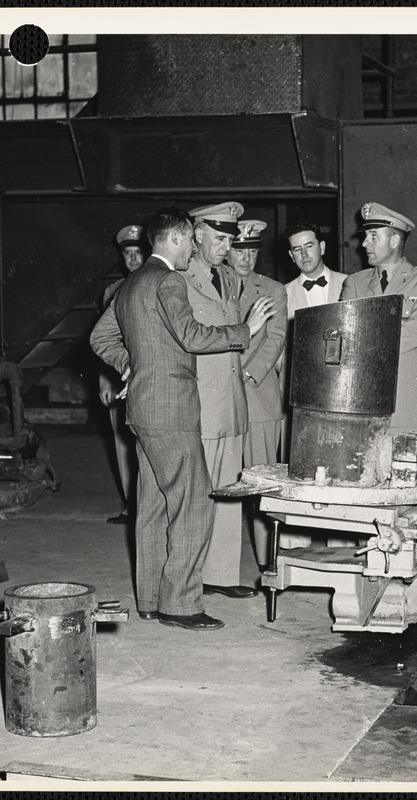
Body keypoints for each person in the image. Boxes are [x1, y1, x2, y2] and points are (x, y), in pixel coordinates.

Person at [90, 207, 275, 631]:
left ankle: (151, 600)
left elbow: (100, 337)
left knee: (153, 506)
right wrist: (243, 330)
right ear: (174, 239)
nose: (195, 246)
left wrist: (132, 366)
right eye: (191, 240)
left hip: (142, 409)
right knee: (194, 505)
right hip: (171, 409)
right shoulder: (170, 280)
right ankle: (181, 604)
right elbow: (190, 335)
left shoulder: (133, 282)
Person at [184, 202, 257, 598]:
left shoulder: (229, 278)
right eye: (219, 237)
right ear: (197, 234)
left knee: (229, 489)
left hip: (230, 399)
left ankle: (221, 575)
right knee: (198, 492)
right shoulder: (178, 277)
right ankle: (191, 577)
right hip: (200, 398)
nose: (226, 247)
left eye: (230, 239)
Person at [340, 202, 417, 437]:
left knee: (407, 472)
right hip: (361, 403)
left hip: (408, 404)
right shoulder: (355, 282)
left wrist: (363, 339)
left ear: (394, 241)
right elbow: (344, 331)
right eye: (365, 236)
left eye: (373, 236)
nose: (364, 243)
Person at [228, 219, 287, 567]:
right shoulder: (212, 287)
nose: (246, 258)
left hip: (258, 396)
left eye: (252, 251)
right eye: (239, 250)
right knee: (221, 483)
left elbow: (276, 339)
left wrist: (247, 373)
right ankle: (220, 567)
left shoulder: (272, 289)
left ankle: (270, 559)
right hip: (219, 399)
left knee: (263, 483)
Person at [98, 224, 145, 525]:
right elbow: (104, 340)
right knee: (122, 443)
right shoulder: (112, 291)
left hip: (148, 376)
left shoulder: (160, 285)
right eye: (127, 254)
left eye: (138, 253)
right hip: (119, 378)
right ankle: (132, 505)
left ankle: (148, 505)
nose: (132, 259)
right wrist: (104, 381)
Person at [284, 221, 346, 320]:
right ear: (292, 256)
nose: (304, 254)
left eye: (309, 246)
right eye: (297, 249)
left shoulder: (347, 283)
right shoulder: (284, 294)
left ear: (322, 247)